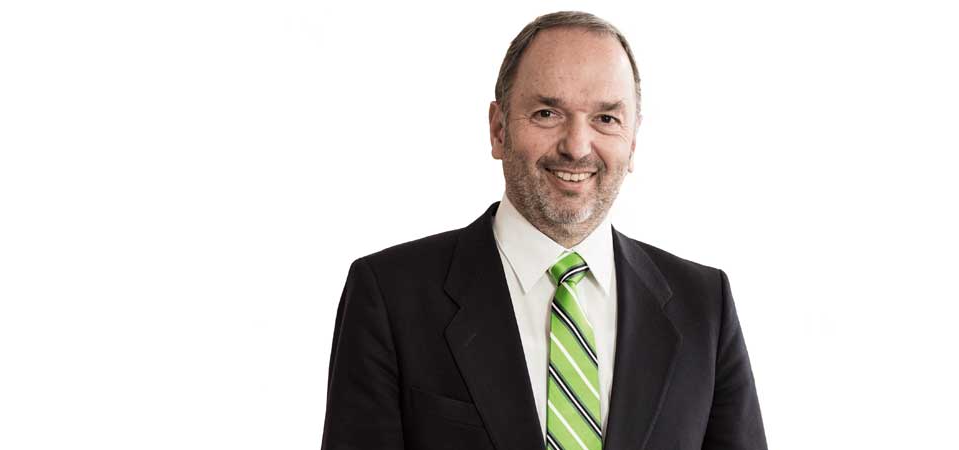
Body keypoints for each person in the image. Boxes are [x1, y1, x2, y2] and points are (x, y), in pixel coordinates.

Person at [320, 11, 767, 450]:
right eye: (547, 113)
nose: (577, 146)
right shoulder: (390, 295)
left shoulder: (704, 306)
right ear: (498, 130)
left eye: (606, 119)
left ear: (633, 141)